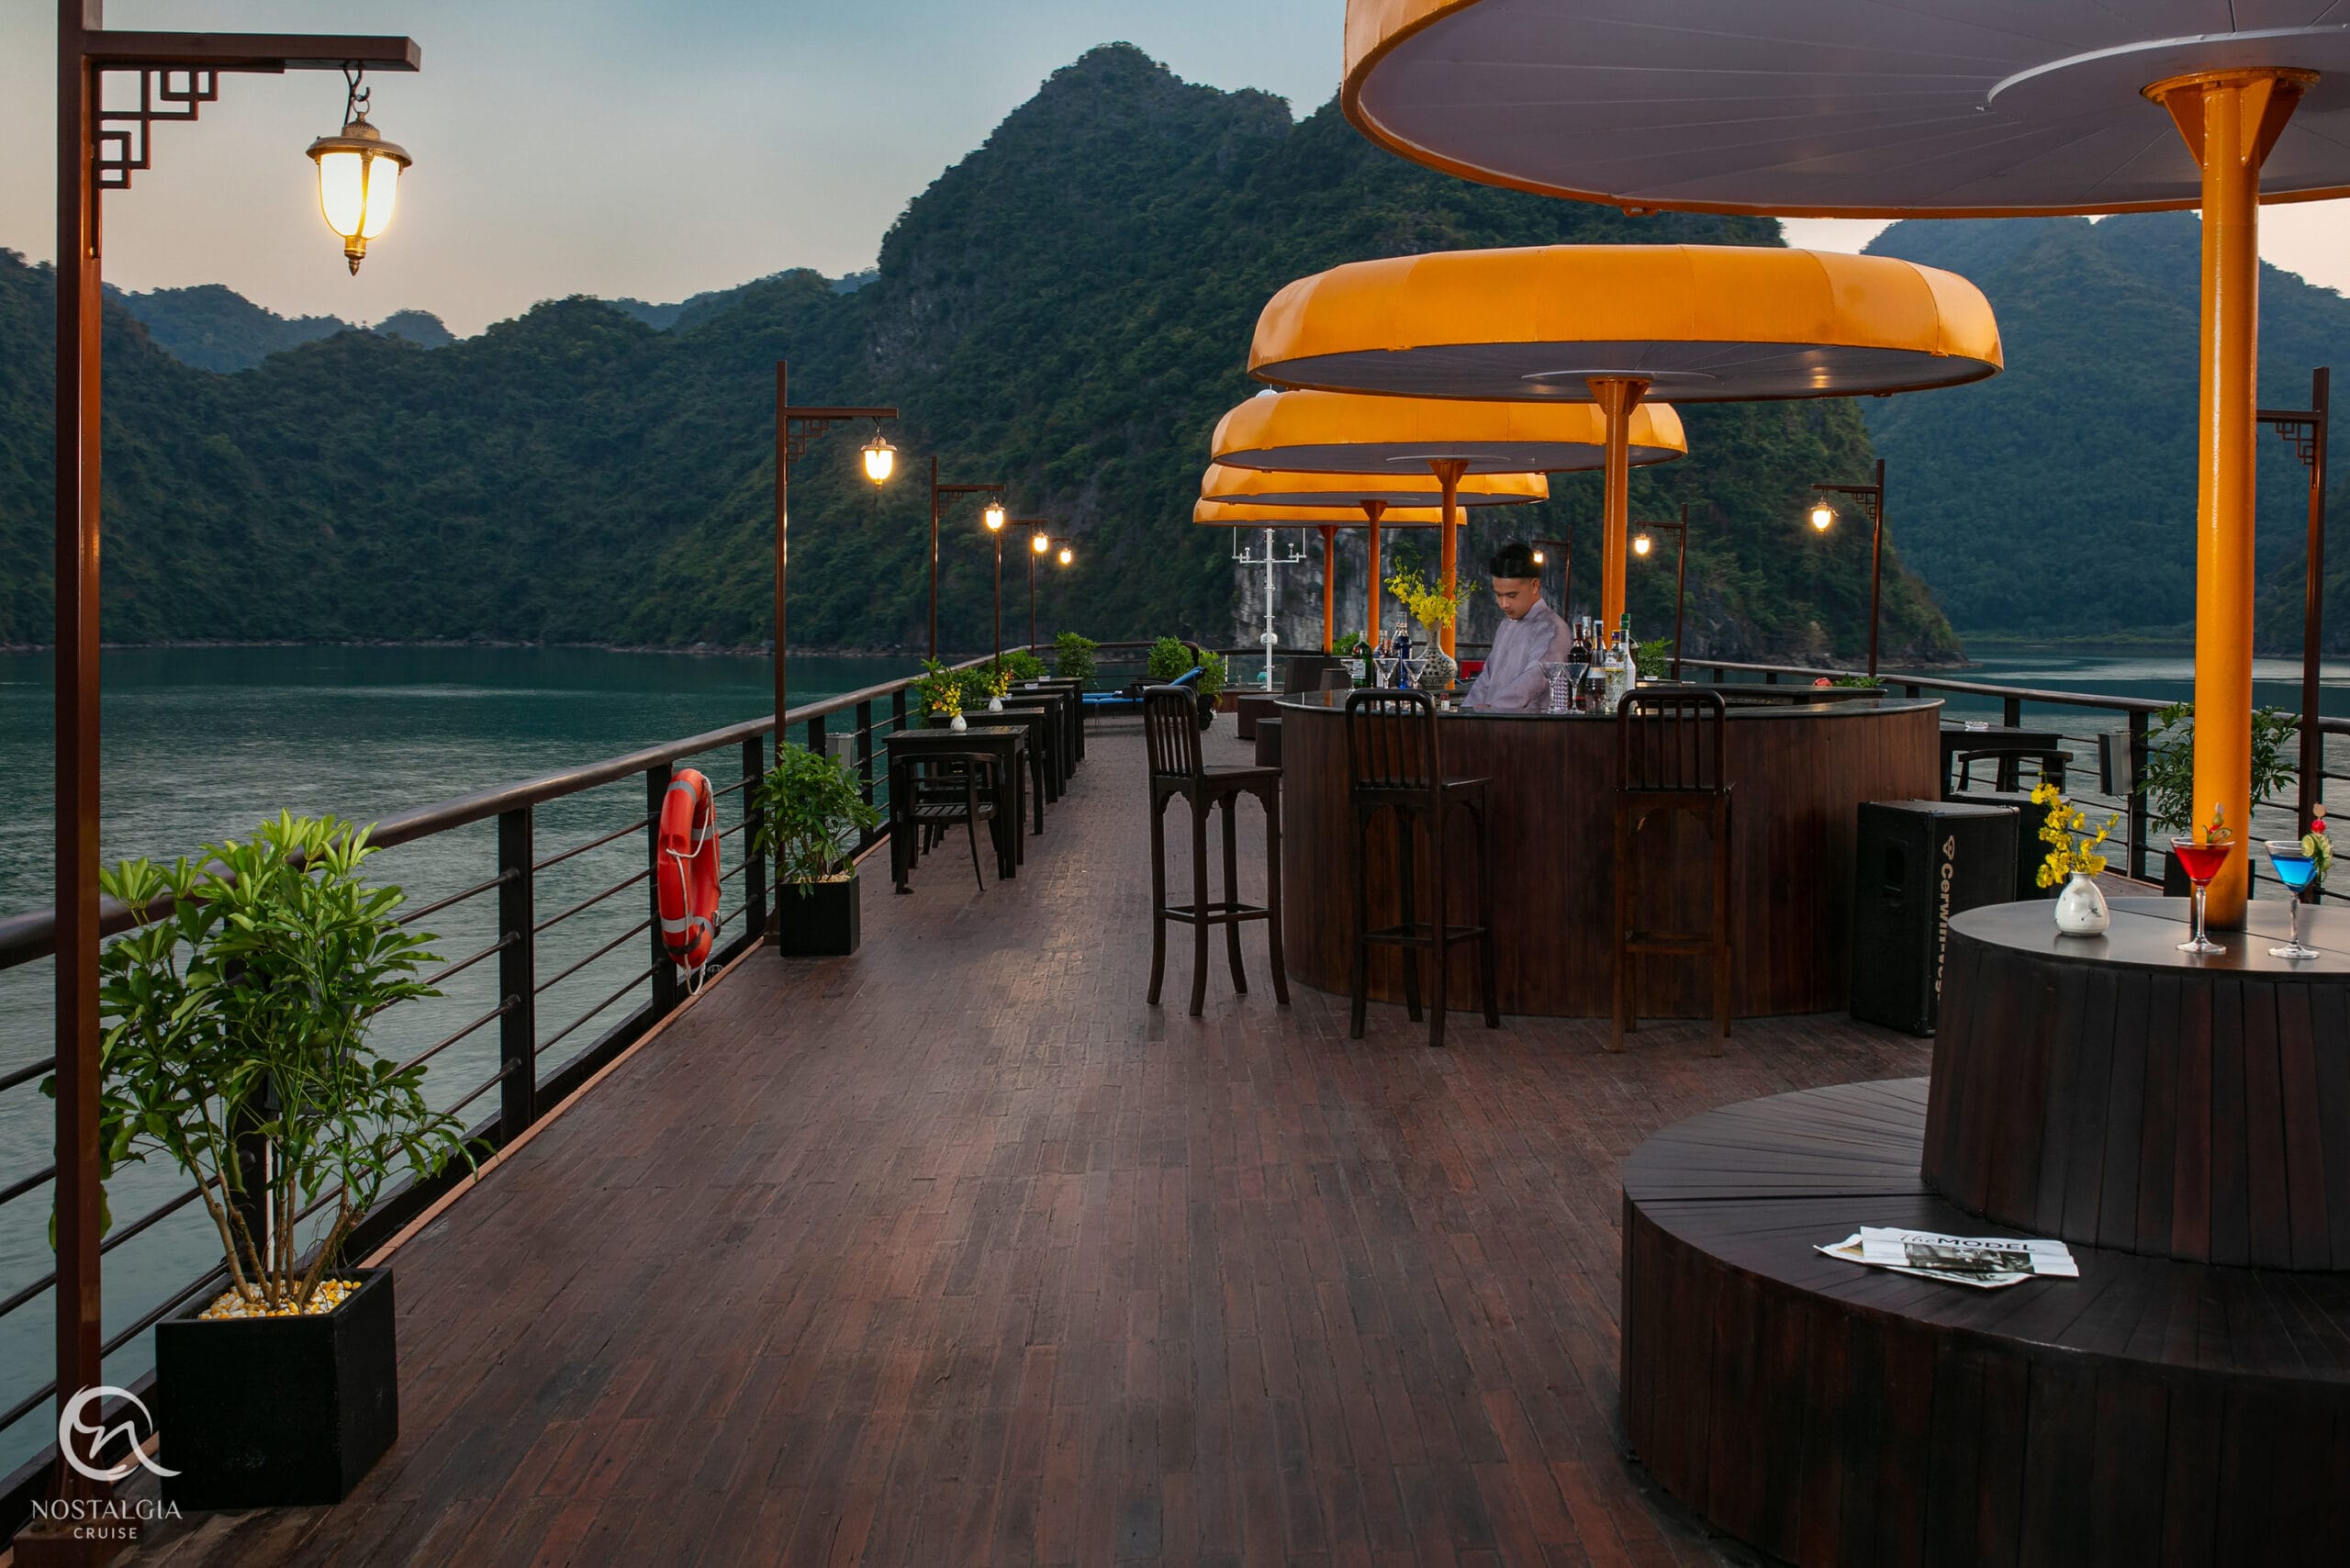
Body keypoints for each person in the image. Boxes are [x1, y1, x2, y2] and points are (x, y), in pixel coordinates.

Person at [1463, 541, 1572, 712]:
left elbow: (1535, 677)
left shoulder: (1552, 628)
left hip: (1529, 724)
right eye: (1499, 595)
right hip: (1493, 720)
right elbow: (1485, 679)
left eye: (1512, 595)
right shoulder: (1506, 625)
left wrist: (1492, 710)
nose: (1504, 604)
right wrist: (1467, 711)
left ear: (1534, 586)